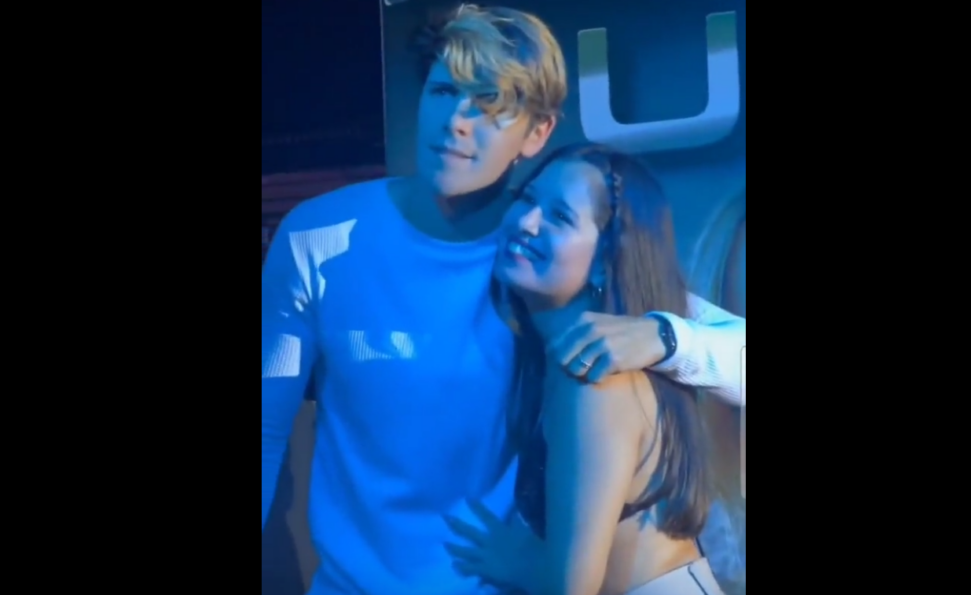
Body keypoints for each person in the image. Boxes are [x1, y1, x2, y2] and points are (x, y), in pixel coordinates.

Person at [261, 5, 746, 595]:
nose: (457, 122)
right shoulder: (318, 238)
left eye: (491, 105)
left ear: (537, 133)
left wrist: (668, 336)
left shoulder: (541, 254)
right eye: (444, 91)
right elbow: (266, 429)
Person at [442, 144, 743, 595]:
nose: (527, 222)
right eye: (527, 198)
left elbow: (570, 588)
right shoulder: (561, 361)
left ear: (605, 260)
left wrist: (519, 563)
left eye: (560, 217)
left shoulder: (593, 379)